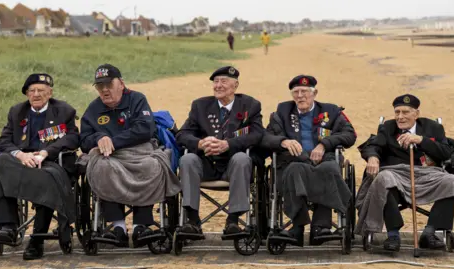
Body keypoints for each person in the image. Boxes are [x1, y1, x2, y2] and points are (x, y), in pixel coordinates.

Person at [79, 64, 181, 248]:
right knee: (102, 168)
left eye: (109, 84)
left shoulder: (137, 99)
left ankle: (140, 226)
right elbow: (84, 140)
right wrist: (99, 137)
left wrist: (113, 141)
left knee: (151, 166)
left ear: (121, 84)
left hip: (140, 151)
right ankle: (118, 227)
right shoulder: (94, 109)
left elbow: (145, 128)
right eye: (100, 86)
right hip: (109, 157)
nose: (104, 90)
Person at [356, 94, 454, 251]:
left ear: (416, 114)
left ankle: (430, 233)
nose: (400, 117)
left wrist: (421, 140)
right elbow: (373, 145)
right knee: (383, 178)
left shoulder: (432, 128)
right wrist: (373, 157)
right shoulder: (388, 127)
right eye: (397, 112)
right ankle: (393, 235)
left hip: (428, 175)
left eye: (405, 112)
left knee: (452, 182)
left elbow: (447, 153)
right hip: (396, 175)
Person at [0, 73, 79, 260]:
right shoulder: (17, 112)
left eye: (41, 91)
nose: (36, 94)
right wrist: (20, 155)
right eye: (32, 91)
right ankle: (8, 226)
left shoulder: (64, 111)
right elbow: (3, 141)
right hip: (21, 163)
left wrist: (45, 153)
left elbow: (72, 138)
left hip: (49, 164)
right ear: (27, 93)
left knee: (49, 179)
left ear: (50, 93)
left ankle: (37, 239)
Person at [261, 75, 356, 246]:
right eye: (296, 92)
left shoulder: (331, 111)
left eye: (304, 91)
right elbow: (265, 138)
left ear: (314, 93)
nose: (300, 96)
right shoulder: (281, 112)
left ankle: (321, 226)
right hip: (292, 165)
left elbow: (350, 135)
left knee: (329, 168)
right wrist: (283, 141)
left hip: (322, 162)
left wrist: (324, 144)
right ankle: (297, 228)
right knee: (295, 168)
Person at [176, 66, 264, 236]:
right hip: (206, 164)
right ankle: (193, 221)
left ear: (235, 85)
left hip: (233, 167)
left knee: (241, 159)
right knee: (187, 160)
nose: (218, 86)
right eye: (216, 82)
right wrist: (200, 143)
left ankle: (233, 221)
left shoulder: (250, 105)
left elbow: (258, 134)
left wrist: (229, 144)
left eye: (224, 82)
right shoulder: (200, 105)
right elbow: (182, 134)